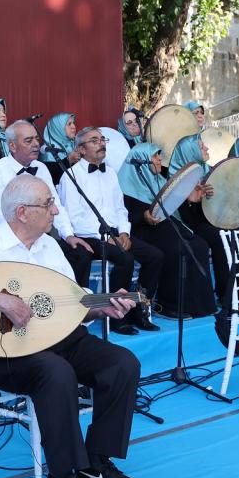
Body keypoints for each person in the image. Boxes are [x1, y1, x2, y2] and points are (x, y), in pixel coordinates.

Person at [0, 175, 144, 478]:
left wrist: (103, 306)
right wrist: (1, 300)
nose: (56, 210)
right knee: (56, 373)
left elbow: (72, 303)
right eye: (48, 204)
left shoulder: (50, 247)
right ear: (22, 212)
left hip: (59, 339)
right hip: (4, 353)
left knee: (122, 363)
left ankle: (96, 462)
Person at [57, 127, 163, 330]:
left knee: (155, 256)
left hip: (115, 232)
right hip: (88, 235)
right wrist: (105, 237)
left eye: (102, 139)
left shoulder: (111, 174)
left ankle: (139, 310)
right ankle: (116, 317)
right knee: (125, 258)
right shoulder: (70, 176)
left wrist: (124, 232)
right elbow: (74, 218)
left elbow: (120, 208)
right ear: (80, 149)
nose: (101, 144)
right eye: (94, 141)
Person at [0, 120, 97, 290]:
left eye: (36, 139)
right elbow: (0, 215)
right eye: (28, 141)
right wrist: (28, 238)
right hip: (11, 238)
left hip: (41, 236)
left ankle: (71, 305)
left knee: (80, 253)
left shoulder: (41, 168)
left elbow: (55, 204)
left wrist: (68, 234)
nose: (36, 144)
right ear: (12, 146)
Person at [119, 143, 210, 320]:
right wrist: (143, 216)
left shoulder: (160, 181)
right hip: (141, 232)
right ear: (142, 161)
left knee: (199, 245)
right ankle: (168, 305)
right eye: (155, 156)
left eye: (159, 155)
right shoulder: (124, 185)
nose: (160, 159)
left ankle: (198, 305)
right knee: (177, 248)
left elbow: (177, 212)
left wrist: (190, 200)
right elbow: (121, 217)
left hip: (166, 227)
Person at [166, 133, 228, 312]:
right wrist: (192, 200)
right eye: (201, 146)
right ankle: (223, 296)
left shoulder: (205, 170)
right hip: (183, 226)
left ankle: (227, 293)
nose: (206, 149)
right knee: (218, 237)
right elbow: (181, 216)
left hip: (204, 221)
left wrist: (208, 196)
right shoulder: (175, 175)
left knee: (226, 234)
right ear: (190, 152)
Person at [41, 112, 81, 184]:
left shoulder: (74, 144)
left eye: (73, 123)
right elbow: (53, 177)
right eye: (69, 124)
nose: (73, 126)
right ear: (57, 128)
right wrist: (69, 161)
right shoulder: (49, 151)